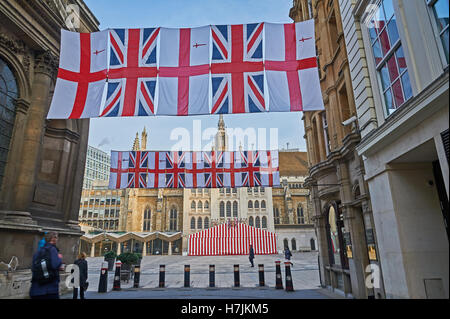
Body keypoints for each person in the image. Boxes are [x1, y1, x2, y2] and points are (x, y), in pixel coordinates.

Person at [30, 232, 63, 299]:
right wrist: (59, 259)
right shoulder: (53, 250)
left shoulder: (38, 252)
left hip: (35, 290)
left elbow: (33, 268)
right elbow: (55, 265)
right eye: (56, 238)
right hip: (50, 290)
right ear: (53, 239)